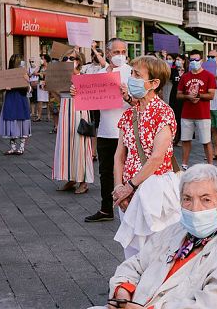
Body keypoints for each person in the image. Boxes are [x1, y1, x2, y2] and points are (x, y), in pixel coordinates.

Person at [26, 164, 217, 309]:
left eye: (206, 199)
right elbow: (134, 265)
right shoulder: (177, 230)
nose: (194, 208)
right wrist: (122, 294)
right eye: (187, 199)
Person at [111, 55, 180, 257]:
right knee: (132, 250)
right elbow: (119, 156)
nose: (131, 78)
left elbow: (157, 158)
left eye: (137, 74)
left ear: (154, 83)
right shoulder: (128, 114)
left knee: (157, 250)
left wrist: (129, 187)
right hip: (127, 190)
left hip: (155, 191)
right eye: (132, 73)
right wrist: (118, 187)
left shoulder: (163, 113)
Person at [83, 39, 133, 222]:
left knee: (127, 171)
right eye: (116, 52)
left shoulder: (131, 72)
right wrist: (77, 93)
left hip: (125, 131)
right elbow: (89, 98)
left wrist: (126, 94)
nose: (120, 55)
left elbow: (137, 102)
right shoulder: (100, 74)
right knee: (105, 172)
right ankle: (106, 209)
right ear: (108, 53)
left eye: (123, 51)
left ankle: (130, 208)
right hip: (105, 130)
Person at [54, 49, 94, 195]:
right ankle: (70, 178)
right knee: (65, 145)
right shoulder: (61, 76)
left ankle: (84, 181)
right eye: (66, 57)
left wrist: (79, 92)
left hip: (79, 112)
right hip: (65, 112)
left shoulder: (83, 76)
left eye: (72, 58)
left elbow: (91, 96)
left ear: (79, 60)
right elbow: (56, 93)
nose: (69, 60)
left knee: (80, 144)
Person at [177, 50, 217, 169]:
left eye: (197, 60)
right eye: (192, 60)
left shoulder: (209, 76)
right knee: (185, 140)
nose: (194, 62)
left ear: (202, 61)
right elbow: (178, 95)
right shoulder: (185, 77)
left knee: (206, 141)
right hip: (187, 114)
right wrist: (187, 96)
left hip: (203, 114)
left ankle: (210, 165)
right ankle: (184, 164)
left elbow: (211, 95)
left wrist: (198, 96)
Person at [0, 54, 32, 155]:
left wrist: (27, 82)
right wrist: (5, 87)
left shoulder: (23, 73)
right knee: (11, 122)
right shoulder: (7, 73)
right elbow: (0, 88)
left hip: (20, 99)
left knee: (22, 122)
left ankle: (21, 147)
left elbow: (29, 90)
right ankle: (13, 148)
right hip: (11, 99)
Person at [169, 55, 185, 146]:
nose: (177, 61)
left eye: (179, 60)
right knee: (174, 117)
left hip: (183, 96)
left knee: (182, 117)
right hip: (174, 95)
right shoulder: (173, 71)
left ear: (183, 61)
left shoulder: (187, 71)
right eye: (176, 60)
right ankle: (175, 137)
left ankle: (182, 138)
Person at [34, 54, 50, 122]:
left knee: (48, 101)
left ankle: (48, 116)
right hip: (40, 84)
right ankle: (39, 116)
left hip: (48, 84)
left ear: (46, 59)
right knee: (39, 100)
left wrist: (42, 73)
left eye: (42, 58)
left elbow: (51, 74)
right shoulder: (40, 67)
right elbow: (34, 72)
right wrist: (40, 73)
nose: (41, 60)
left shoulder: (50, 66)